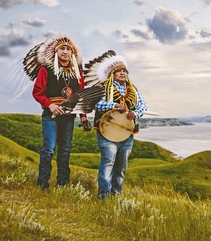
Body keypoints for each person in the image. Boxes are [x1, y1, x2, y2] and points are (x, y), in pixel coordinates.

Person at [23, 35, 90, 191]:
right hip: (50, 117)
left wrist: (84, 116)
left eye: (68, 49)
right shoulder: (46, 69)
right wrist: (50, 105)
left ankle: (62, 185)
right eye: (62, 49)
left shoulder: (77, 72)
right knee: (48, 149)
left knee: (65, 151)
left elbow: (81, 96)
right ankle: (43, 184)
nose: (65, 52)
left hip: (68, 118)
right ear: (56, 51)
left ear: (72, 53)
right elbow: (37, 92)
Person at [91, 53, 147, 200]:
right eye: (118, 71)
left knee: (121, 165)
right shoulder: (103, 87)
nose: (122, 73)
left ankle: (116, 194)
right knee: (108, 162)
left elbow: (142, 106)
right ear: (112, 73)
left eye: (124, 71)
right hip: (107, 132)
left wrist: (135, 113)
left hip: (127, 133)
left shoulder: (133, 90)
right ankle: (104, 195)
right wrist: (114, 105)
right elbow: (95, 103)